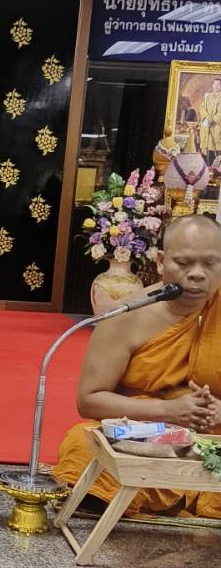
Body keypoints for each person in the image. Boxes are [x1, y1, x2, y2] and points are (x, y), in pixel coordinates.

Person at [54, 214, 221, 517]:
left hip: (214, 439)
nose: (197, 274)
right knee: (83, 444)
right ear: (161, 262)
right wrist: (169, 411)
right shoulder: (127, 315)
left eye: (210, 264)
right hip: (142, 435)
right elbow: (89, 401)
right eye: (184, 263)